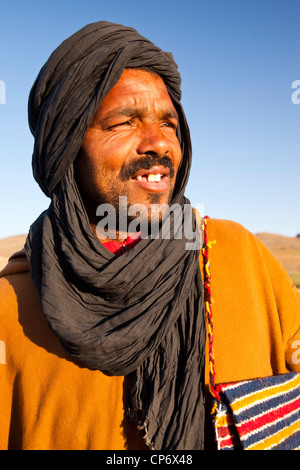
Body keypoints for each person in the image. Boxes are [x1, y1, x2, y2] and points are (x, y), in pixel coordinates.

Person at [0, 21, 299, 451]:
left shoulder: (238, 258)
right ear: (65, 146)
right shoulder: (12, 312)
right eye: (124, 122)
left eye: (169, 123)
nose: (159, 143)